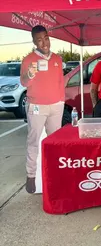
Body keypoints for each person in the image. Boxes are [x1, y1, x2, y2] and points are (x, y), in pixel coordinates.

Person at [20, 25, 65, 194]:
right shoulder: (28, 60)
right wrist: (30, 74)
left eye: (46, 38)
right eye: (39, 39)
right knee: (34, 141)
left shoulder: (57, 59)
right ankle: (31, 175)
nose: (44, 42)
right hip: (37, 106)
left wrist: (61, 100)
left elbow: (60, 81)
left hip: (56, 106)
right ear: (34, 41)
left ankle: (55, 172)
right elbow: (24, 83)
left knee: (55, 142)